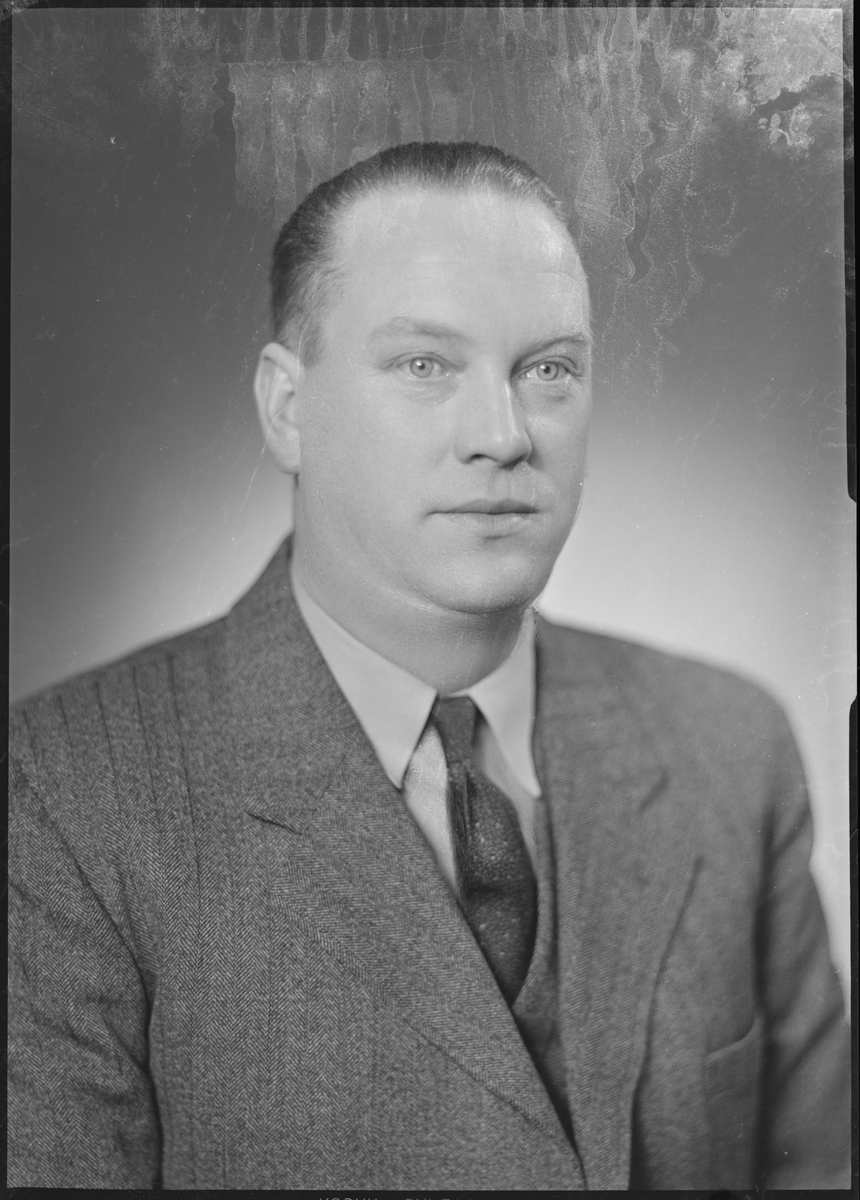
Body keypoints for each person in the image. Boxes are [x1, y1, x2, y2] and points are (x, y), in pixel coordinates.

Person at [8, 141, 850, 1191]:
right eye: (424, 366)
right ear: (288, 409)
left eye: (548, 369)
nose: (503, 435)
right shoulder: (60, 791)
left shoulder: (730, 744)